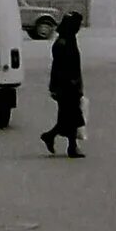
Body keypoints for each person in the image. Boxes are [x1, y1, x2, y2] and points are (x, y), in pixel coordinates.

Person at [41, 11, 85, 157]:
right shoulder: (63, 42)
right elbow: (59, 67)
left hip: (69, 85)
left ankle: (52, 137)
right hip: (66, 86)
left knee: (68, 117)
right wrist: (63, 84)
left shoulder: (68, 39)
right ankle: (71, 147)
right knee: (71, 116)